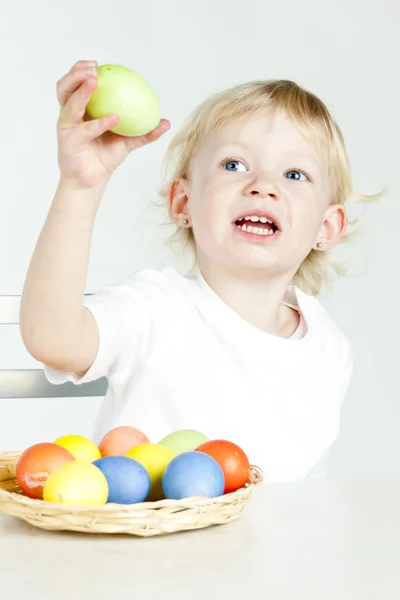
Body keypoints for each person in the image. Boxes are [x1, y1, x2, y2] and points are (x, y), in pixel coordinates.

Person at [19, 60, 378, 482]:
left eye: (295, 174)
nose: (263, 184)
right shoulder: (156, 310)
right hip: (150, 546)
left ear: (326, 227)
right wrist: (81, 186)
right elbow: (53, 338)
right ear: (183, 203)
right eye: (234, 165)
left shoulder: (329, 348)